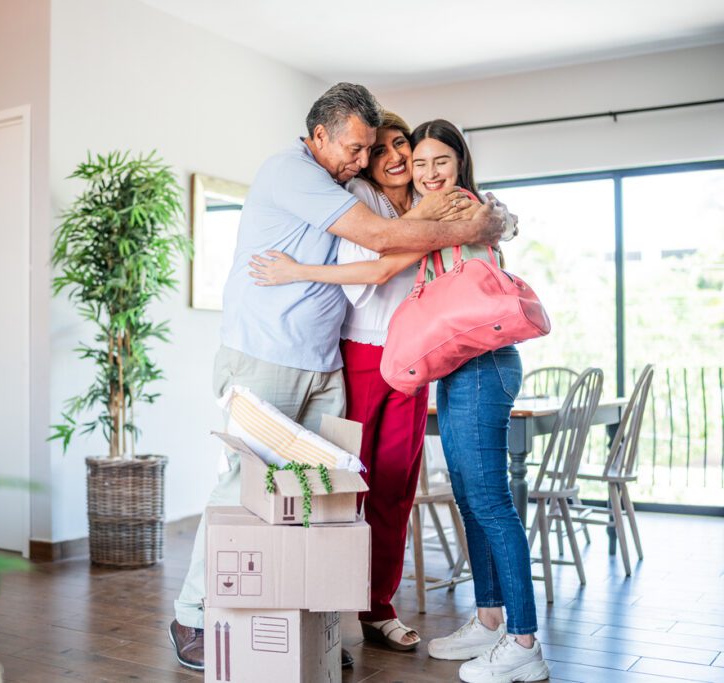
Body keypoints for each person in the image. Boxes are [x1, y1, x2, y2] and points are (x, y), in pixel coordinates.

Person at [168, 84, 508, 673]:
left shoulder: (339, 185)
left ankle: (314, 629)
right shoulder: (291, 172)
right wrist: (473, 224)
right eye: (355, 148)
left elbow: (396, 234)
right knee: (243, 489)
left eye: (370, 149)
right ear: (319, 135)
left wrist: (484, 215)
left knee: (318, 502)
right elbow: (381, 243)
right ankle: (192, 615)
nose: (362, 160)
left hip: (322, 363)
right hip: (267, 356)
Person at [248, 119, 548, 683]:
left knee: (469, 499)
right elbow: (385, 257)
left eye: (412, 152)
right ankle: (486, 621)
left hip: (461, 363)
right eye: (379, 150)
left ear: (453, 161)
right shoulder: (368, 201)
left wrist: (486, 213)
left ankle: (517, 638)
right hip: (430, 362)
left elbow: (397, 256)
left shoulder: (450, 204)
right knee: (458, 496)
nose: (403, 161)